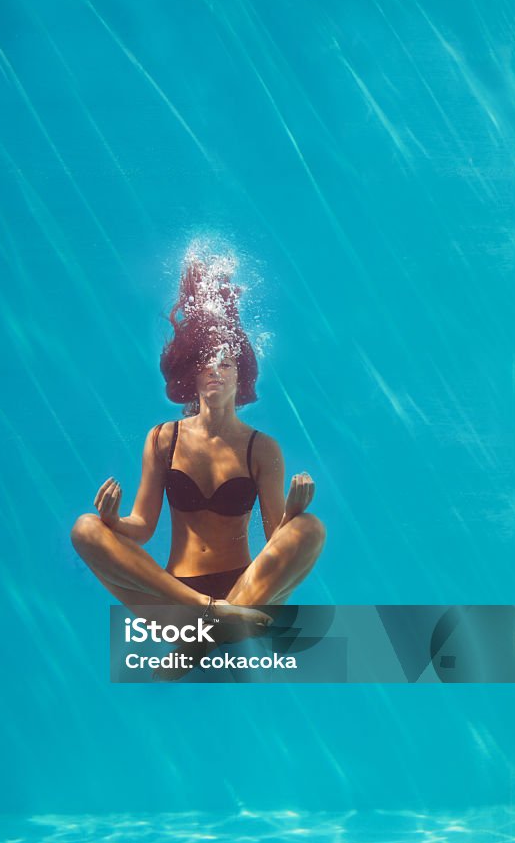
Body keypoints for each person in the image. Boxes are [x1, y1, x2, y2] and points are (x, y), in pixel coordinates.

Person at [71, 254, 326, 644]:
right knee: (85, 528)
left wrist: (293, 510)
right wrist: (112, 520)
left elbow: (278, 535)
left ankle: (203, 638)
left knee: (310, 527)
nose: (214, 371)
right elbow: (141, 528)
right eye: (206, 363)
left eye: (225, 364)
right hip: (178, 598)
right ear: (191, 371)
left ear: (240, 376)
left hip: (245, 591)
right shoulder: (163, 438)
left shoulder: (261, 447)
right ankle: (212, 620)